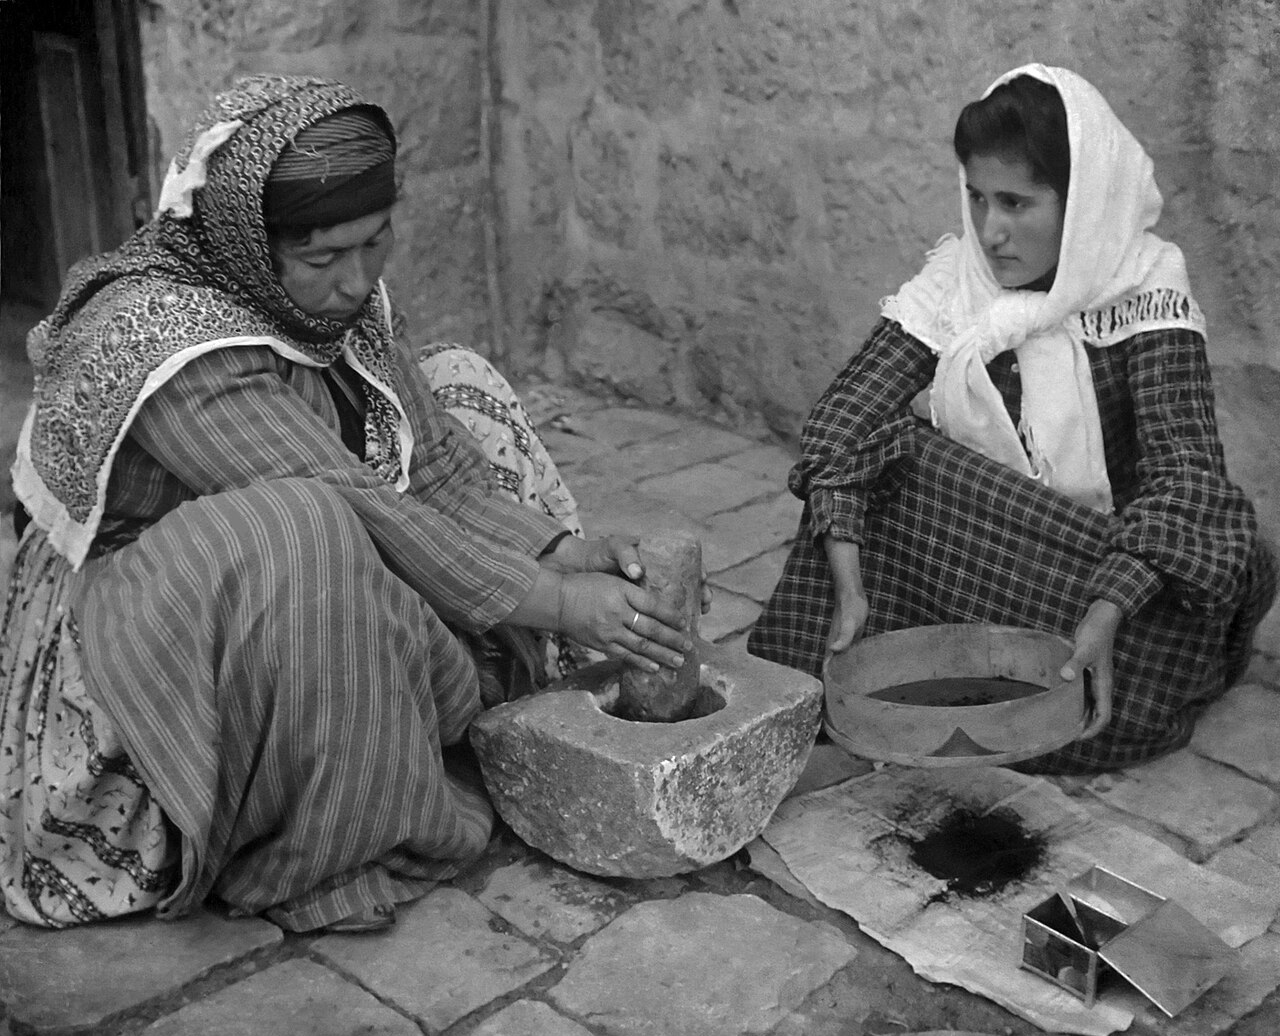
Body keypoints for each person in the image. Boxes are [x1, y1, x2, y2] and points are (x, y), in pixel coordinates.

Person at [0, 75, 695, 933]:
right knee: (308, 527)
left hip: (308, 543)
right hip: (148, 603)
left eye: (375, 244)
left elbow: (430, 462)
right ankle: (316, 834)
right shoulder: (159, 340)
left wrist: (555, 552)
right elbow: (352, 497)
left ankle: (390, 730)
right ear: (247, 240)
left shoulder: (346, 301)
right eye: (324, 258)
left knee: (455, 383)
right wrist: (552, 605)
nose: (354, 282)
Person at [748, 64, 1276, 775]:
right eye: (976, 198)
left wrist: (1109, 607)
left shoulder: (1143, 288)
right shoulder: (957, 282)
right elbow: (842, 422)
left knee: (1195, 576)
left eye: (1017, 204)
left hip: (1092, 573)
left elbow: (1186, 482)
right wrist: (847, 567)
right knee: (884, 462)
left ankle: (995, 680)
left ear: (1082, 202)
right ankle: (933, 664)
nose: (991, 231)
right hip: (968, 559)